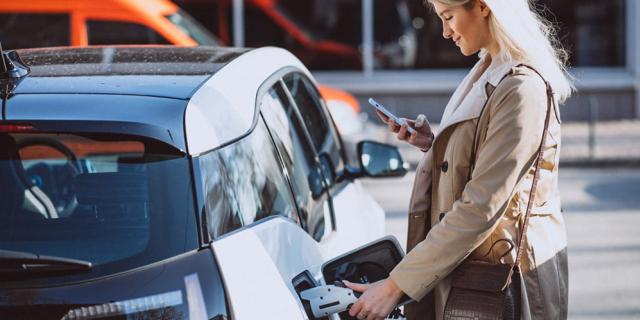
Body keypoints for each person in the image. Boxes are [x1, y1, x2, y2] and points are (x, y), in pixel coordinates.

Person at [344, 0, 573, 319]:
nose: (445, 31)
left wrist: (395, 286)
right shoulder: (490, 68)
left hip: (503, 275)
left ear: (483, 7)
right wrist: (435, 146)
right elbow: (484, 162)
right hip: (475, 267)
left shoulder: (522, 87)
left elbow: (482, 205)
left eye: (449, 17)